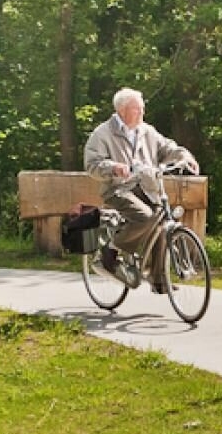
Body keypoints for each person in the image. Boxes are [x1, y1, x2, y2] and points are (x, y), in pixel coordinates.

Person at [83, 88, 199, 291]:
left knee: (162, 220)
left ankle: (159, 280)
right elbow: (92, 164)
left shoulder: (147, 131)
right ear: (121, 110)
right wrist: (114, 168)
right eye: (137, 109)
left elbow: (167, 148)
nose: (142, 113)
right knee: (146, 217)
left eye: (143, 108)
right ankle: (109, 252)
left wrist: (185, 157)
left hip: (148, 187)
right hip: (118, 188)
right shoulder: (102, 134)